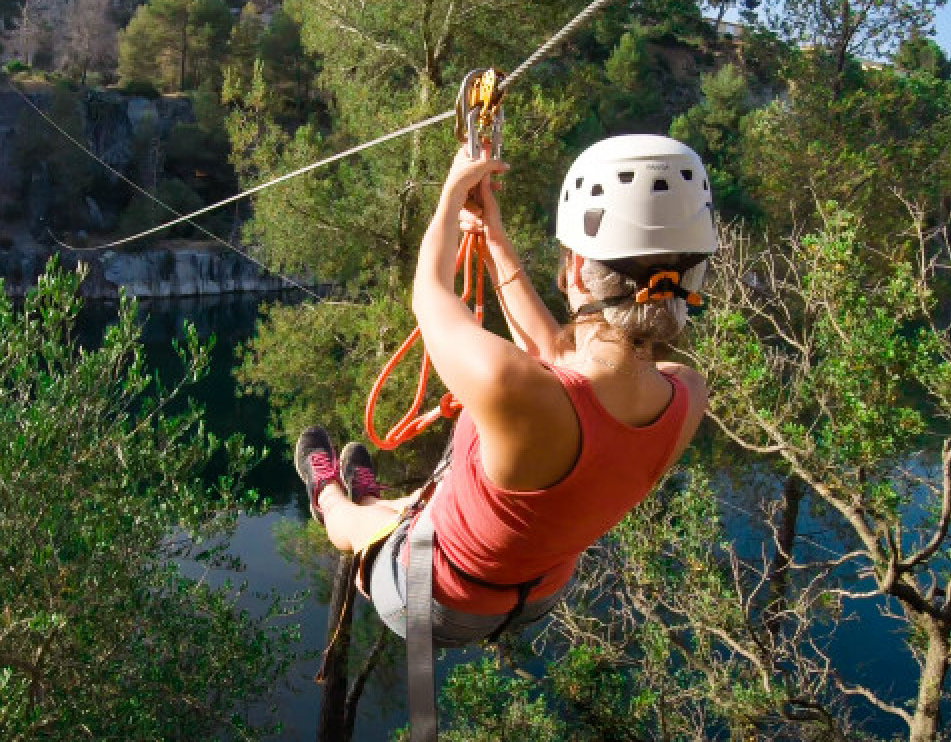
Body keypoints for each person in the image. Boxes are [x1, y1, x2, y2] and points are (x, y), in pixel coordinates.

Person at [295, 134, 714, 646]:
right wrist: (493, 240)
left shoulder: (510, 384)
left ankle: (330, 495)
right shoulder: (687, 394)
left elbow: (430, 295)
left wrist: (451, 194)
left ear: (578, 271)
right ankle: (375, 499)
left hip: (431, 597)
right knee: (415, 508)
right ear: (693, 276)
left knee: (356, 525)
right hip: (537, 591)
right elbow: (561, 362)